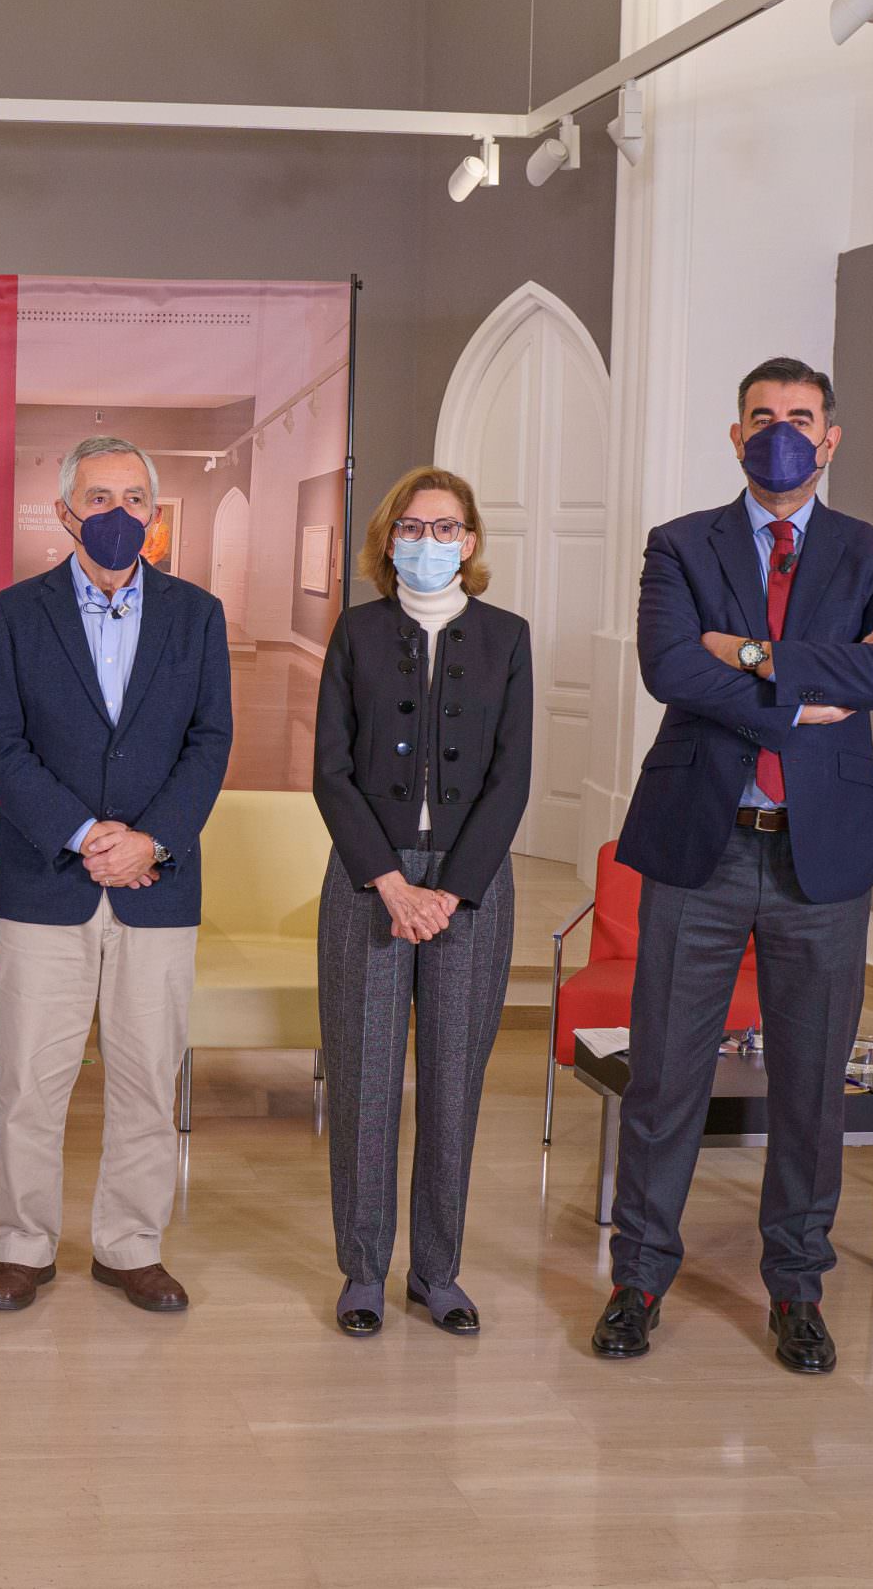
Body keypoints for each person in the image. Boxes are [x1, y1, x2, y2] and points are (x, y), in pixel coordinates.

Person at [592, 356, 873, 1375]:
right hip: (701, 841)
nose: (781, 431)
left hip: (824, 854)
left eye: (801, 416)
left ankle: (796, 1289)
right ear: (735, 435)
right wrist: (800, 694)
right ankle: (638, 1279)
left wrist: (749, 653)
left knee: (813, 1088)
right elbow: (667, 665)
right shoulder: (679, 543)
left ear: (830, 438)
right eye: (762, 416)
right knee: (664, 1077)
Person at [0, 436, 233, 1315]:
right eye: (98, 497)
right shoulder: (14, 614)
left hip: (157, 886)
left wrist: (151, 840)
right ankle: (23, 1247)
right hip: (42, 882)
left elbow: (210, 743)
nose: (116, 513)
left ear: (152, 515)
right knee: (29, 1084)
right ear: (64, 512)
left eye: (133, 498)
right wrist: (87, 835)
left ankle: (130, 1246)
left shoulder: (198, 616)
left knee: (147, 1080)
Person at [310, 467, 531, 1338]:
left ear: (469, 542)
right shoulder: (356, 631)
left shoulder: (507, 637)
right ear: (388, 538)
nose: (427, 541)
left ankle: (438, 1270)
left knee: (451, 1083)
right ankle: (363, 1269)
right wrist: (391, 881)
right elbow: (330, 770)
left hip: (469, 886)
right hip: (370, 879)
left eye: (444, 528)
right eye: (411, 526)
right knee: (363, 1080)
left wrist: (450, 889)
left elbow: (512, 778)